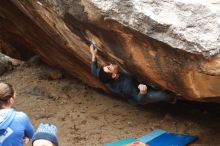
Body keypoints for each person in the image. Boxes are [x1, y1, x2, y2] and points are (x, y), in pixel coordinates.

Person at [90, 44, 177, 105]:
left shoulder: (103, 76)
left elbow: (94, 70)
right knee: (162, 95)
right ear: (113, 75)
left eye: (107, 66)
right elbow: (138, 99)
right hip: (139, 95)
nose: (110, 65)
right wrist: (143, 92)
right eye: (109, 68)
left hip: (134, 85)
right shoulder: (126, 85)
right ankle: (172, 99)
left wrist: (93, 55)